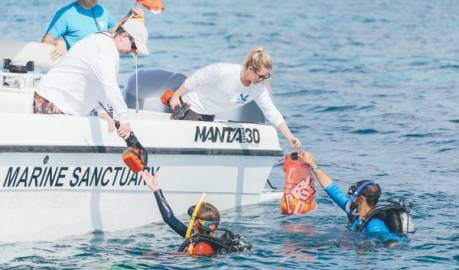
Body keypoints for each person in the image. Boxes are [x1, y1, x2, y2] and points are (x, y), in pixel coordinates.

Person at [35, 19, 149, 140]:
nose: (134, 51)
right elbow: (109, 85)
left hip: (58, 101)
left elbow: (99, 82)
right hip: (53, 101)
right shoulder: (105, 49)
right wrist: (124, 119)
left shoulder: (105, 42)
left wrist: (102, 110)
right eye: (134, 46)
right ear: (123, 36)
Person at [168, 47, 301, 149]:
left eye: (266, 77)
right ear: (250, 69)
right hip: (191, 108)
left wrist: (290, 137)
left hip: (208, 116)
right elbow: (196, 78)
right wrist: (176, 96)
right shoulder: (224, 71)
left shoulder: (258, 88)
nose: (262, 80)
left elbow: (271, 112)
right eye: (260, 76)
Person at [299, 151, 414, 245]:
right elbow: (332, 189)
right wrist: (313, 164)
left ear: (361, 200)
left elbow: (390, 241)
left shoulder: (374, 225)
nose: (350, 199)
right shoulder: (355, 211)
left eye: (353, 196)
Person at [141, 171, 251, 257]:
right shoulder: (197, 237)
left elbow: (189, 262)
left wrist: (159, 255)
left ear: (196, 222)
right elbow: (169, 218)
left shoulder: (202, 247)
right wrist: (156, 189)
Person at [42, 0, 143, 59]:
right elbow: (45, 41)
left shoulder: (101, 9)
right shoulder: (65, 14)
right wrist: (59, 42)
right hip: (78, 71)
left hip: (102, 67)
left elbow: (115, 31)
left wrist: (129, 15)